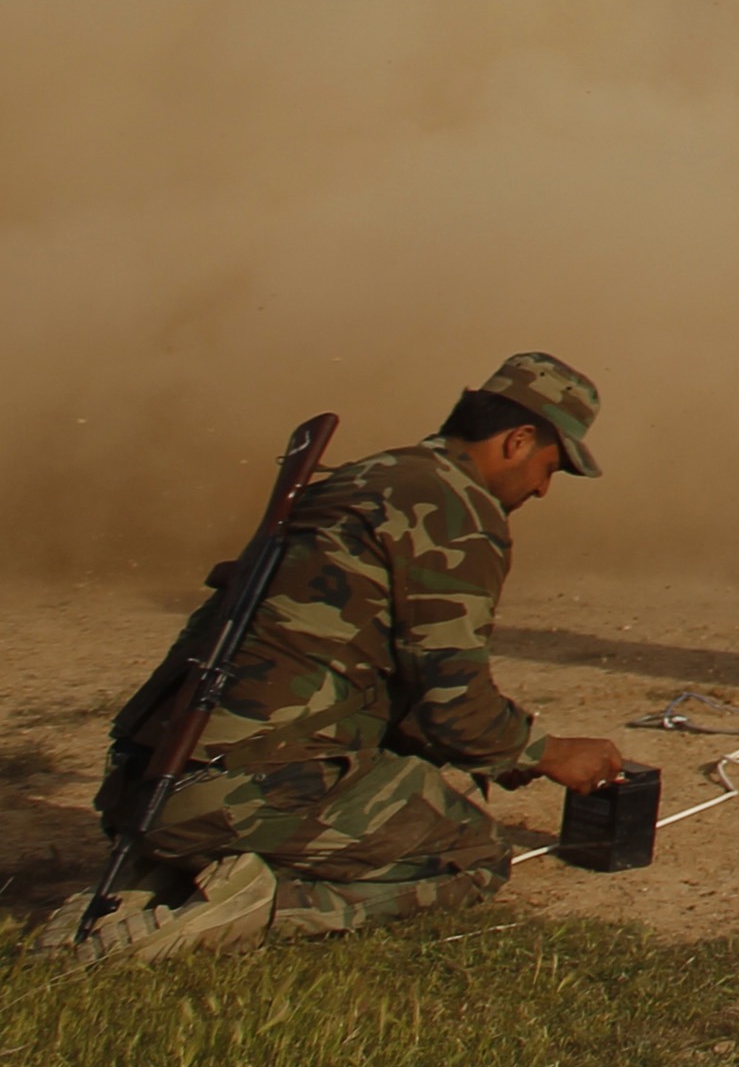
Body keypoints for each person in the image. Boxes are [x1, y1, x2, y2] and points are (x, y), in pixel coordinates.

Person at [56, 353, 626, 960]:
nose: (541, 488)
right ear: (518, 440)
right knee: (473, 855)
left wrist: (498, 753)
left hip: (143, 785)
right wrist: (544, 752)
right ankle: (258, 905)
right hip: (244, 789)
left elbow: (364, 668)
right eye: (549, 468)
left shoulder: (362, 479)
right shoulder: (455, 512)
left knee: (399, 781)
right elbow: (452, 705)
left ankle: (163, 877)